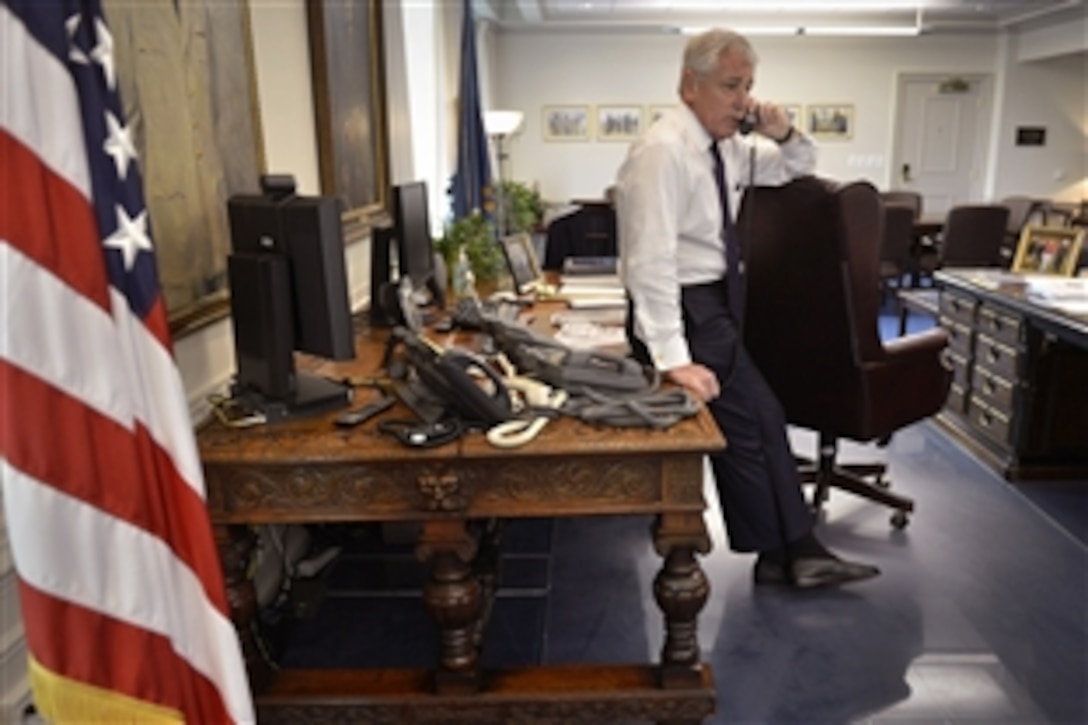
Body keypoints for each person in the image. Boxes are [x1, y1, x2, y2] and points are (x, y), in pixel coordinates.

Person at [614, 28, 879, 588]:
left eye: (749, 87)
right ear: (690, 86)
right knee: (753, 418)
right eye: (731, 86)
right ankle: (793, 551)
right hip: (683, 308)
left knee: (758, 420)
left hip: (715, 302)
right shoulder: (663, 151)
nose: (742, 101)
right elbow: (650, 262)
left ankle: (786, 553)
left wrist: (782, 130)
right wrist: (670, 358)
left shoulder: (729, 148)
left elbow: (799, 164)